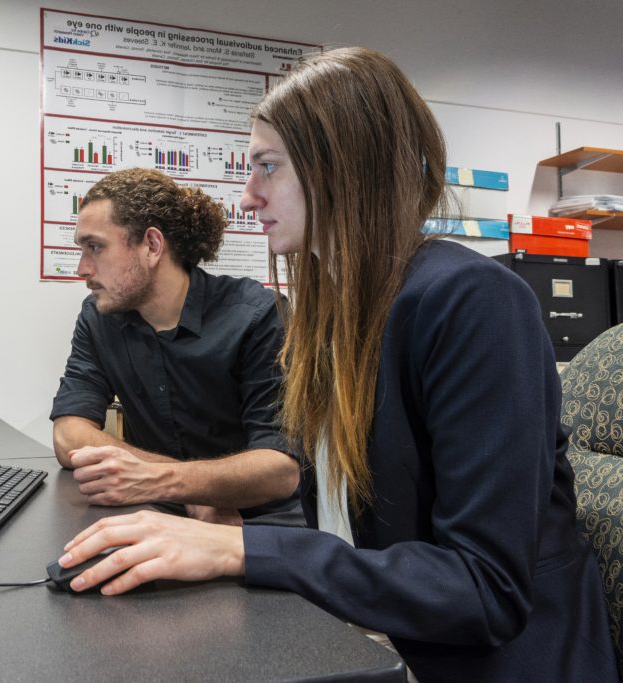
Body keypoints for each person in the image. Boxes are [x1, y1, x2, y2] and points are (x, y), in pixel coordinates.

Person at [55, 48, 618, 681]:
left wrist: (242, 549)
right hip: (370, 634)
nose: (248, 196)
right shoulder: (336, 314)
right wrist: (219, 523)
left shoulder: (473, 300)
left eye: (268, 167)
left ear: (344, 169)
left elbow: (482, 590)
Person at [50, 167, 302, 525]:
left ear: (151, 246)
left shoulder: (260, 317)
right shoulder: (99, 317)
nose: (82, 268)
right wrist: (181, 487)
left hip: (254, 526)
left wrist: (167, 483)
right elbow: (68, 435)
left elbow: (280, 469)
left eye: (95, 247)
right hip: (156, 508)